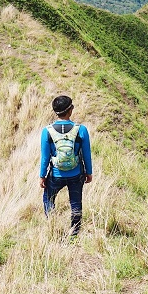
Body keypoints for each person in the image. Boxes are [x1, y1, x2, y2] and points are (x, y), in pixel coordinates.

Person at [40, 95, 93, 236]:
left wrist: (42, 176)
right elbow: (86, 154)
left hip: (56, 175)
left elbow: (45, 157)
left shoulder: (47, 131)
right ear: (70, 110)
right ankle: (74, 234)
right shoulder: (81, 130)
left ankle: (52, 227)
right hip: (76, 173)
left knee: (48, 198)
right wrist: (89, 172)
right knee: (76, 203)